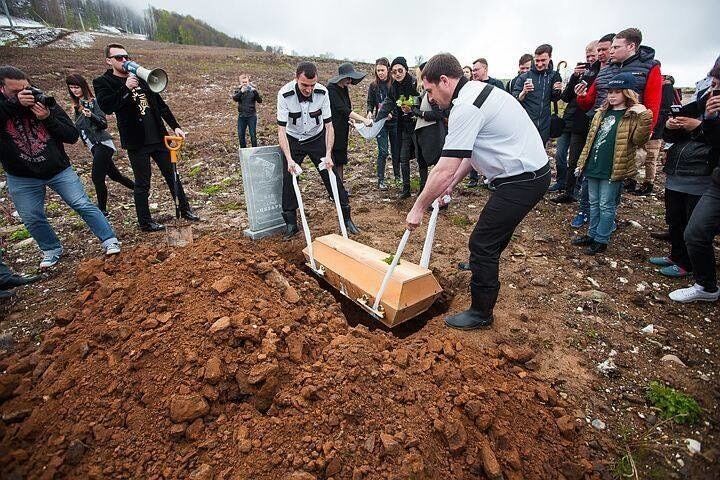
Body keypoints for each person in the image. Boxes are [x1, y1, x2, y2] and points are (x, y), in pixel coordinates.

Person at [406, 53, 550, 330]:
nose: (430, 98)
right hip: (525, 174)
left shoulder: (466, 107)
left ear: (444, 81)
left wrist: (418, 207)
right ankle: (481, 266)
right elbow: (467, 154)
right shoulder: (476, 92)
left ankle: (481, 312)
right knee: (491, 238)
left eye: (429, 90)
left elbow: (444, 167)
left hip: (523, 179)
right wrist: (450, 185)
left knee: (482, 242)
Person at [0, 65, 122, 269]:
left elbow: (72, 135)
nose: (24, 94)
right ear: (2, 89)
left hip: (57, 168)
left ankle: (109, 239)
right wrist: (14, 104)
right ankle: (51, 249)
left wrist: (47, 118)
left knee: (82, 203)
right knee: (31, 216)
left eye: (26, 88)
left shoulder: (42, 101)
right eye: (16, 91)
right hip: (21, 175)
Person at [93, 43, 200, 232]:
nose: (124, 60)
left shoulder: (142, 77)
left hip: (158, 137)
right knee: (143, 182)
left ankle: (185, 210)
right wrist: (126, 88)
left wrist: (175, 126)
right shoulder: (103, 82)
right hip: (136, 141)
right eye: (119, 58)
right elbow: (108, 106)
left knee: (172, 175)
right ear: (108, 60)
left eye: (126, 56)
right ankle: (145, 221)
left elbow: (161, 105)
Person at [276, 61, 359, 240]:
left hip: (316, 138)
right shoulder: (284, 94)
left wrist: (328, 154)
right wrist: (289, 159)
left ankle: (346, 218)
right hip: (293, 139)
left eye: (312, 85)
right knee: (289, 179)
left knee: (331, 176)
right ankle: (291, 224)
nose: (308, 89)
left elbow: (329, 126)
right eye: (304, 85)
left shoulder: (323, 92)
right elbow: (281, 130)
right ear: (296, 79)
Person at [571, 73, 652, 255]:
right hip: (594, 164)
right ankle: (592, 234)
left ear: (627, 93)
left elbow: (639, 140)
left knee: (606, 204)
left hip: (613, 167)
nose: (612, 95)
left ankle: (602, 239)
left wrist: (645, 118)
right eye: (610, 92)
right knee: (593, 202)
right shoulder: (601, 113)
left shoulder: (632, 115)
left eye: (617, 92)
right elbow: (591, 140)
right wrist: (582, 162)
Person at [576, 28, 662, 195]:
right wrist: (581, 96)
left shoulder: (650, 67)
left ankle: (607, 212)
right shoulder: (606, 69)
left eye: (615, 47)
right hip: (599, 127)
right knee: (591, 168)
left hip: (625, 131)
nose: (611, 51)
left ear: (631, 46)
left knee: (614, 176)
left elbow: (653, 104)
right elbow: (590, 101)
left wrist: (645, 132)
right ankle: (587, 208)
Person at [669, 64, 720, 303]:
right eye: (713, 83)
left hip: (701, 175)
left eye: (718, 85)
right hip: (714, 180)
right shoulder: (706, 104)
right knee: (693, 230)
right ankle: (706, 285)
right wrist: (707, 120)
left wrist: (701, 125)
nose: (714, 90)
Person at [559, 33, 616, 230]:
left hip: (606, 125)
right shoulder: (589, 72)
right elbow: (574, 98)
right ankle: (579, 203)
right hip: (582, 123)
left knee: (600, 171)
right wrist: (576, 81)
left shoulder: (618, 71)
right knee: (576, 162)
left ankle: (604, 217)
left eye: (601, 51)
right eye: (593, 52)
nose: (596, 56)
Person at [65, 73, 135, 216]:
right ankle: (139, 189)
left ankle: (102, 210)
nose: (74, 90)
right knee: (116, 176)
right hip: (94, 146)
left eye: (77, 87)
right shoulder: (76, 106)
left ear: (83, 87)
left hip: (103, 143)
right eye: (71, 87)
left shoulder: (94, 102)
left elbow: (103, 124)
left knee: (97, 177)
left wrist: (91, 115)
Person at [548, 41, 598, 193]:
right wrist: (575, 78)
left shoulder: (599, 74)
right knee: (560, 154)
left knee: (575, 158)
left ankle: (574, 186)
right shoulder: (579, 74)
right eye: (587, 56)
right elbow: (566, 96)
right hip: (569, 118)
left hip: (583, 120)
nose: (589, 59)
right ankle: (561, 181)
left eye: (592, 56)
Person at [375, 57, 420, 199]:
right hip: (404, 128)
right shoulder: (394, 87)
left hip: (419, 127)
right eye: (394, 72)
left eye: (400, 70)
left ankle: (423, 189)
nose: (398, 74)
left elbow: (423, 102)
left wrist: (412, 110)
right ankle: (406, 190)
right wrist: (376, 121)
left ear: (406, 70)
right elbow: (388, 103)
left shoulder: (415, 83)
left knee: (421, 158)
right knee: (403, 157)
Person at [327, 62, 370, 183]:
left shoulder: (344, 88)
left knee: (340, 159)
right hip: (333, 129)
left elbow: (346, 108)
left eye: (351, 78)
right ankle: (334, 188)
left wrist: (349, 119)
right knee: (333, 158)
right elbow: (342, 108)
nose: (350, 81)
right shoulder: (331, 89)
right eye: (348, 78)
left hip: (342, 129)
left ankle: (340, 186)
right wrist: (363, 119)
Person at [512, 44, 563, 144]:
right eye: (537, 61)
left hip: (545, 126)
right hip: (526, 125)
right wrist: (523, 92)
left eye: (543, 60)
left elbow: (555, 98)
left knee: (540, 154)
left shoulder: (554, 76)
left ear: (550, 58)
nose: (539, 64)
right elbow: (515, 98)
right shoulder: (524, 77)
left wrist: (559, 90)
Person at [413, 62, 450, 193]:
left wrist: (419, 113)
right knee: (423, 164)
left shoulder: (432, 94)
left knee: (436, 165)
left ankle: (437, 196)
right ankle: (424, 192)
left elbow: (437, 114)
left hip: (432, 133)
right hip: (423, 132)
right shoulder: (425, 92)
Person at [367, 58, 400, 190]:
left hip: (395, 121)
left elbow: (398, 101)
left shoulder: (394, 84)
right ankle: (381, 180)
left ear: (388, 70)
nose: (380, 72)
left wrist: (391, 112)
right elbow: (370, 101)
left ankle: (398, 177)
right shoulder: (373, 86)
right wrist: (369, 111)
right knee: (383, 151)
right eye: (378, 70)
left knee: (396, 150)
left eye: (382, 70)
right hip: (380, 122)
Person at [232, 73, 262, 148]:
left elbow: (260, 101)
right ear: (240, 82)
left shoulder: (253, 90)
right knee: (240, 135)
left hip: (251, 116)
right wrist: (241, 92)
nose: (245, 84)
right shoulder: (238, 90)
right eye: (243, 82)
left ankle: (254, 151)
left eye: (246, 82)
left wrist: (255, 91)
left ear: (248, 82)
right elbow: (235, 98)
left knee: (253, 135)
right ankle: (243, 151)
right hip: (242, 116)